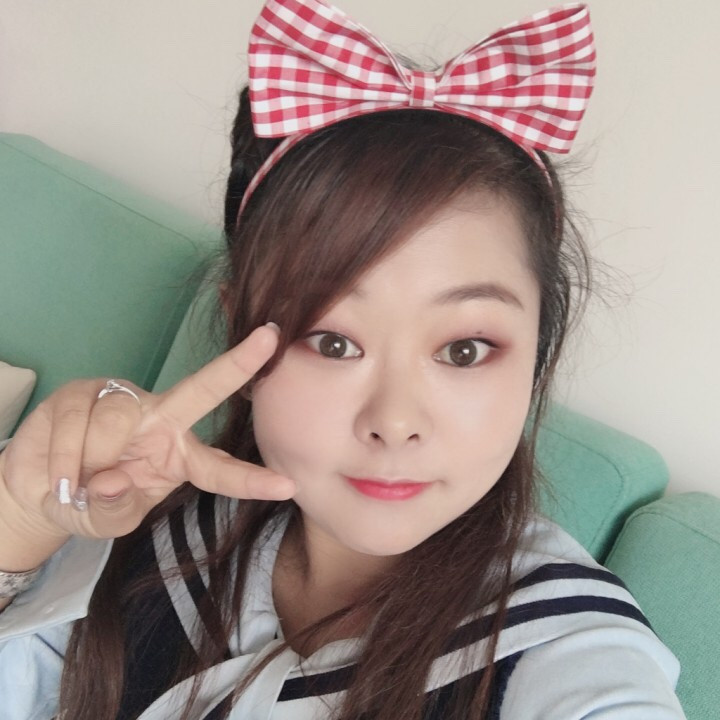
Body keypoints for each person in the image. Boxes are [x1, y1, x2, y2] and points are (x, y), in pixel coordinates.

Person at [0, 0, 687, 718]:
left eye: (464, 349)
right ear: (240, 335)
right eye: (333, 342)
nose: (395, 421)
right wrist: (19, 523)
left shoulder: (570, 654)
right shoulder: (134, 521)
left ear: (538, 354)